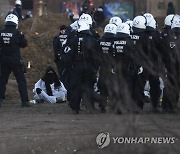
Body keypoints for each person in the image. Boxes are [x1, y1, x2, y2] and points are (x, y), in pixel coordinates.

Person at [62, 20, 99, 114]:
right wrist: (96, 66)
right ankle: (90, 107)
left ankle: (75, 107)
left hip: (77, 66)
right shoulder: (92, 40)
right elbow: (97, 56)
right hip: (89, 67)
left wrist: (68, 66)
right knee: (89, 86)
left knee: (76, 87)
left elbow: (67, 54)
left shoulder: (73, 40)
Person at [0, 14, 31, 107]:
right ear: (15, 23)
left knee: (2, 80)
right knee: (21, 80)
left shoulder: (0, 32)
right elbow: (24, 44)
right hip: (15, 60)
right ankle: (24, 102)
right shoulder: (18, 33)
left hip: (3, 60)